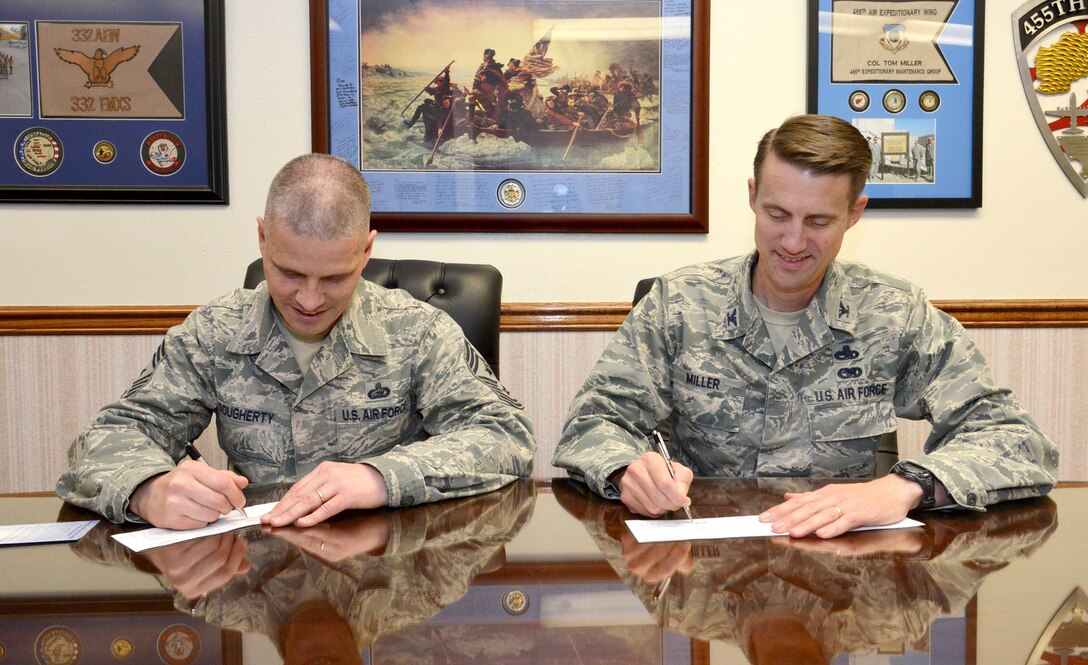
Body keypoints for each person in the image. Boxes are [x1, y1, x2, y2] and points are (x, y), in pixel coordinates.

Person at [552, 114, 1057, 539]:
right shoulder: (678, 305)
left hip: (846, 576)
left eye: (817, 221)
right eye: (777, 214)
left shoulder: (893, 314)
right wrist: (626, 468)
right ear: (752, 196)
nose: (793, 241)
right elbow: (591, 424)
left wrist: (905, 487)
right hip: (703, 571)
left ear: (854, 213)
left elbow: (1015, 440)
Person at [58, 153, 535, 530]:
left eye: (334, 277)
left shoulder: (419, 332)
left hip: (392, 569)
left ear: (367, 250)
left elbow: (505, 435)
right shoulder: (214, 332)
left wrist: (381, 477)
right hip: (254, 565)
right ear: (263, 238)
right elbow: (107, 438)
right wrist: (147, 488)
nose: (309, 299)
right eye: (289, 273)